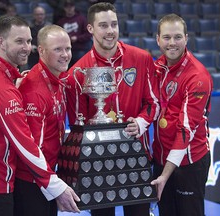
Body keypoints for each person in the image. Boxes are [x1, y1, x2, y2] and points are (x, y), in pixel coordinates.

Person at [0, 15, 80, 216]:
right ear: (0, 42)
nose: (26, 47)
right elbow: (26, 144)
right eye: (19, 41)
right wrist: (57, 186)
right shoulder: (4, 92)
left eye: (29, 41)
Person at [65, 2, 159, 216]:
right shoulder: (78, 72)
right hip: (97, 166)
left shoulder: (141, 59)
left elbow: (153, 102)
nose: (110, 31)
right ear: (90, 29)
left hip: (137, 157)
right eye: (103, 25)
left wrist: (141, 122)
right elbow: (77, 123)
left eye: (114, 24)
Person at [150, 13, 213, 216]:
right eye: (167, 37)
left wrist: (165, 176)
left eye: (178, 37)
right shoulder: (157, 68)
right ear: (157, 39)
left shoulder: (198, 76)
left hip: (189, 162)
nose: (172, 43)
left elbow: (186, 130)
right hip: (161, 159)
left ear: (186, 38)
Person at [14, 24, 72, 216]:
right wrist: (54, 186)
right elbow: (31, 149)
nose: (65, 54)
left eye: (68, 48)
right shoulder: (34, 91)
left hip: (47, 175)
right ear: (41, 51)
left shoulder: (60, 78)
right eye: (58, 49)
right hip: (31, 180)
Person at [56, 0, 92, 68]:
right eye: (67, 7)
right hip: (65, 51)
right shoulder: (61, 22)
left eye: (71, 6)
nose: (69, 9)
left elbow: (88, 34)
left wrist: (77, 38)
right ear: (64, 8)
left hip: (80, 49)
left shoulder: (81, 19)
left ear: (74, 7)